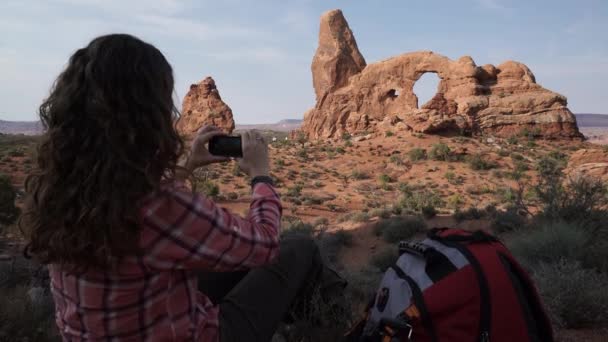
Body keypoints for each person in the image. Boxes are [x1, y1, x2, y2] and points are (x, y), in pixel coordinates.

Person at [19, 34, 343, 342]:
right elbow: (265, 245)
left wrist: (187, 166)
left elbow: (139, 217)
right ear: (147, 119)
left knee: (213, 267)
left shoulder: (59, 195)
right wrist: (261, 175)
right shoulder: (161, 208)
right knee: (298, 250)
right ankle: (344, 327)